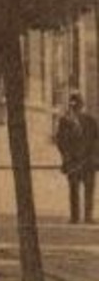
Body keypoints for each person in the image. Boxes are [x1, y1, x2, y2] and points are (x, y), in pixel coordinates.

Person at [56, 93, 99, 224]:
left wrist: (95, 157)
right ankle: (75, 217)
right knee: (74, 190)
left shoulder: (91, 121)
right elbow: (61, 141)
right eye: (73, 106)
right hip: (73, 161)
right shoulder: (64, 122)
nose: (75, 108)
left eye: (77, 105)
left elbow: (97, 141)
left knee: (89, 190)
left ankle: (88, 216)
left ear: (82, 105)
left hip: (88, 161)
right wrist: (66, 156)